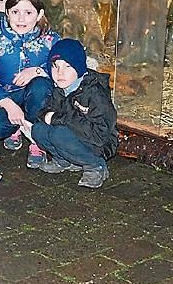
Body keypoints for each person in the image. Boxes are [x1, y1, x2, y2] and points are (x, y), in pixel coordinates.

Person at [0, 0, 60, 169]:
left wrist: (38, 71)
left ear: (39, 14)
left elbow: (65, 72)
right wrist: (8, 105)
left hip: (38, 97)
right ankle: (18, 125)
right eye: (15, 12)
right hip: (7, 98)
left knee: (40, 86)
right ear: (7, 13)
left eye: (28, 12)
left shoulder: (50, 40)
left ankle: (37, 139)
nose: (21, 18)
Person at [32, 38, 118, 189]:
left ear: (78, 68)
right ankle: (64, 159)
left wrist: (60, 119)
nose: (60, 73)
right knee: (38, 130)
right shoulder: (60, 89)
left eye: (67, 66)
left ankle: (95, 165)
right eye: (55, 67)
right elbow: (46, 111)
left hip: (99, 143)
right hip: (74, 135)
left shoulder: (93, 92)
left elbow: (100, 133)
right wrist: (47, 116)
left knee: (59, 133)